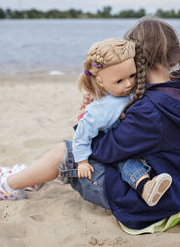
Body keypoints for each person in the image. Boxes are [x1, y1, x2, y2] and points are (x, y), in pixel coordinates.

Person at [0, 16, 180, 230]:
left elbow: (107, 150)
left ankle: (7, 186)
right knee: (69, 153)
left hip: (150, 199)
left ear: (134, 58)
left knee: (66, 153)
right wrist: (103, 104)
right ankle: (31, 174)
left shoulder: (150, 111)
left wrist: (89, 119)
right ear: (174, 54)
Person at [73, 38, 172, 207]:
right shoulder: (98, 112)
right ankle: (145, 188)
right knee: (127, 164)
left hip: (131, 141)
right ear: (101, 81)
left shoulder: (130, 91)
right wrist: (82, 161)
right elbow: (81, 135)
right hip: (114, 148)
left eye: (132, 76)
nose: (128, 84)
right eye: (119, 81)